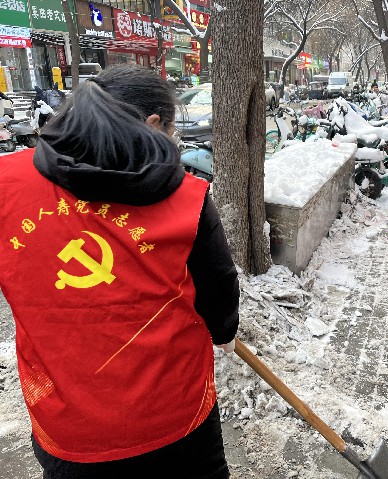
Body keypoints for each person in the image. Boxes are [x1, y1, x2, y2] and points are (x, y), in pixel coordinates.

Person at [0, 65, 239, 478]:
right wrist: (224, 332)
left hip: (67, 424)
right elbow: (218, 291)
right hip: (174, 417)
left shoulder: (6, 184)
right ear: (153, 125)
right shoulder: (186, 198)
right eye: (173, 131)